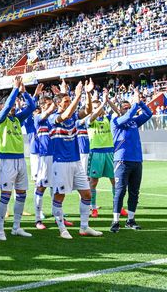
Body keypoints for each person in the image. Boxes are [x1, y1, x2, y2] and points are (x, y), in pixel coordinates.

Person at [49, 80, 102, 240]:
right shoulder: (53, 118)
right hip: (61, 163)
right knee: (59, 196)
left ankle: (84, 227)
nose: (68, 103)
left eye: (69, 101)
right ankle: (62, 228)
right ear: (59, 104)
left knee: (86, 194)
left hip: (76, 162)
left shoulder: (73, 119)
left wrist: (86, 93)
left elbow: (88, 110)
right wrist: (77, 95)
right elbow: (65, 115)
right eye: (66, 101)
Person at [0, 76, 36, 241]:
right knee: (5, 194)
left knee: (22, 193)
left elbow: (32, 106)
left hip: (20, 159)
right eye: (8, 106)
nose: (11, 108)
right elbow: (8, 106)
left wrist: (24, 93)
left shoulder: (17, 119)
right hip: (7, 160)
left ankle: (16, 227)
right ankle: (1, 229)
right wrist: (15, 89)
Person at [110, 87, 152, 232]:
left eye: (129, 107)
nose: (128, 110)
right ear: (120, 110)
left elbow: (149, 114)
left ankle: (130, 220)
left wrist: (140, 103)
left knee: (134, 191)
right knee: (120, 191)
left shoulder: (134, 122)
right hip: (121, 161)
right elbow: (128, 116)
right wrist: (135, 104)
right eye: (125, 108)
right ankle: (115, 221)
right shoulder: (116, 121)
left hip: (136, 160)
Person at [84, 90, 124, 218]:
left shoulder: (107, 118)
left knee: (115, 181)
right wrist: (102, 105)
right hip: (96, 153)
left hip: (110, 153)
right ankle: (93, 208)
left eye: (98, 107)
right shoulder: (90, 120)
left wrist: (107, 101)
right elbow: (94, 115)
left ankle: (118, 207)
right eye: (94, 108)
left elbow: (118, 112)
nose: (96, 110)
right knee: (93, 182)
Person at [33, 96, 56, 230]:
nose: (51, 107)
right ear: (42, 106)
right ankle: (37, 219)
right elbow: (47, 113)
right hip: (45, 157)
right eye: (48, 104)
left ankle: (58, 216)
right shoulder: (38, 118)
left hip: (57, 157)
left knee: (57, 187)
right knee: (41, 187)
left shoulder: (54, 119)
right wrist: (55, 104)